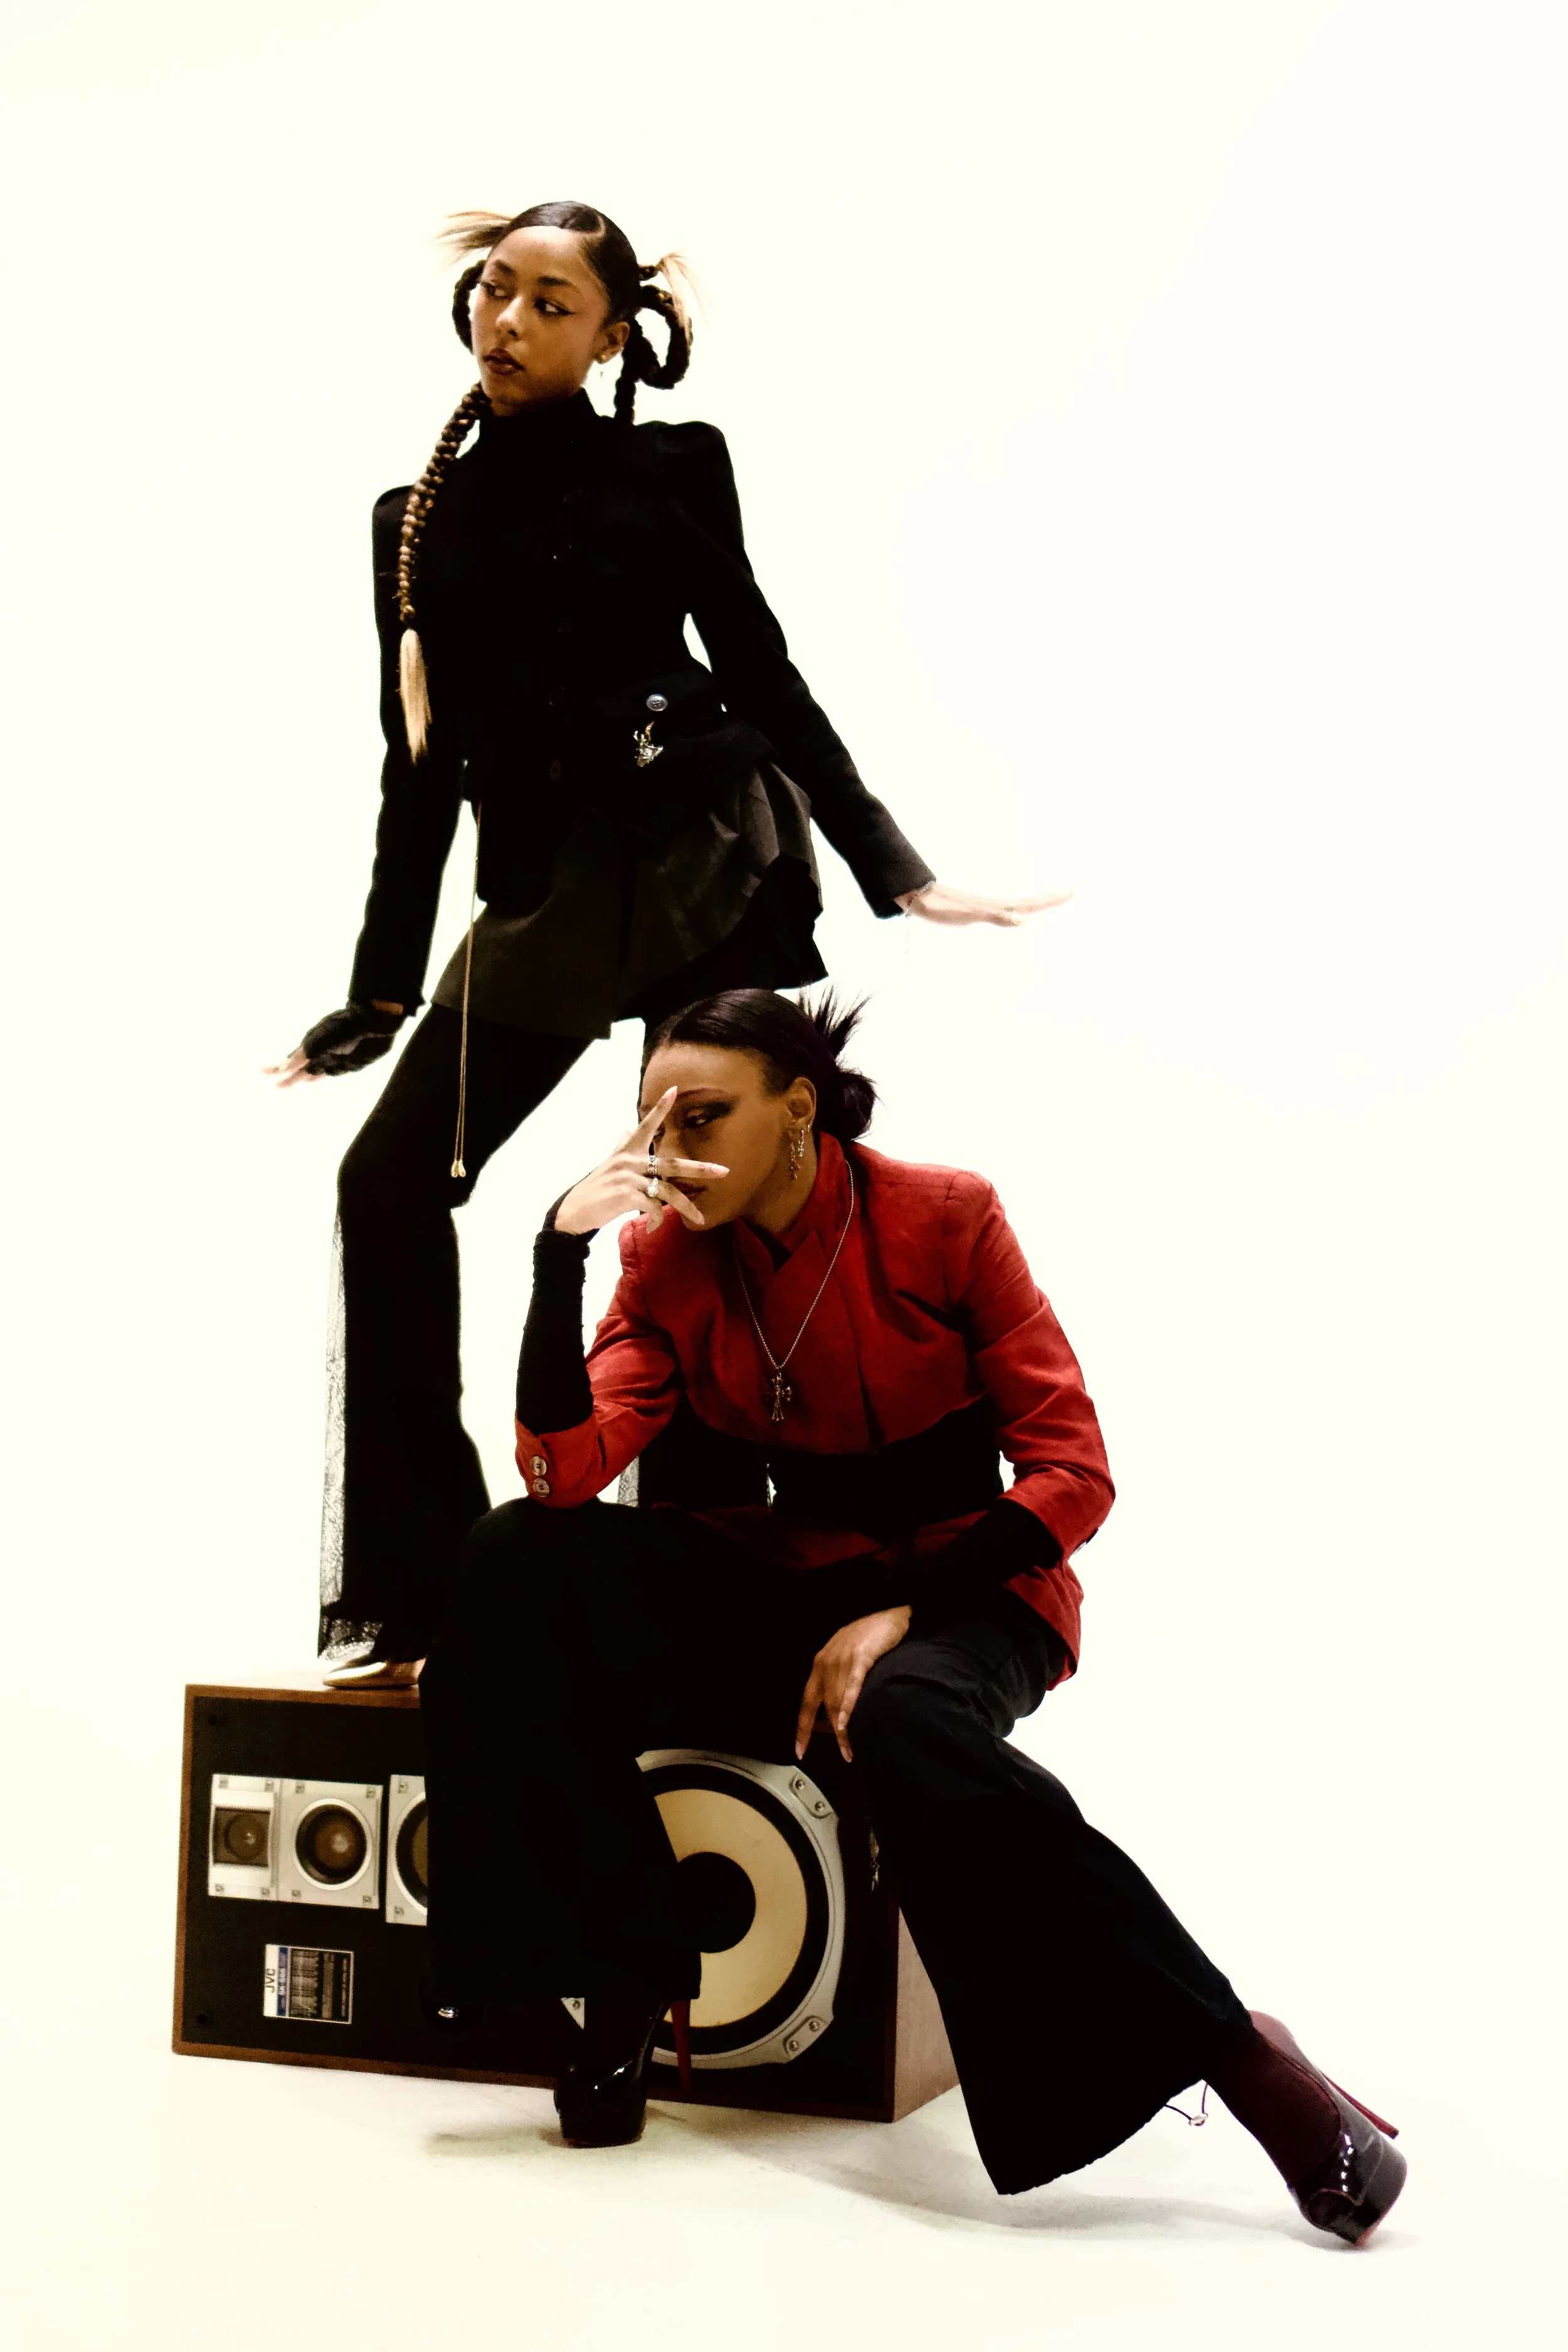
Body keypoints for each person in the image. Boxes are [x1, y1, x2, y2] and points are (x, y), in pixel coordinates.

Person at [416, 988, 1407, 2241]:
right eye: (649, 1119)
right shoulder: (661, 1254)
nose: (669, 1146)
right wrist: (556, 1255)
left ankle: (1235, 2054)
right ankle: (617, 1989)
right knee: (515, 1557)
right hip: (790, 1581)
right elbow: (559, 1476)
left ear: (797, 1107)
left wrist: (900, 1605)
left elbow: (1072, 1471)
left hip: (976, 1588)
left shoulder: (944, 1217)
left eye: (704, 1113)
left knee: (906, 1725)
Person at [265, 198, 1065, 1682]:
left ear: (611, 333)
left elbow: (759, 665)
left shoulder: (672, 465)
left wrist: (891, 862)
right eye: (494, 291)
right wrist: (380, 989)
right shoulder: (413, 520)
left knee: (699, 1213)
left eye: (549, 304)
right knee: (386, 1188)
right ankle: (435, 1589)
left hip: (706, 859)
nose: (508, 322)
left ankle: (692, 1597)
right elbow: (417, 766)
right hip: (552, 897)